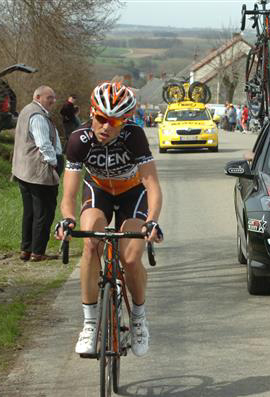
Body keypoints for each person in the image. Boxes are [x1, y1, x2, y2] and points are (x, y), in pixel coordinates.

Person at [55, 81, 163, 357]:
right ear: (92, 113)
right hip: (99, 190)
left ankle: (138, 319)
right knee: (91, 244)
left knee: (129, 258)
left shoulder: (134, 136)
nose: (106, 127)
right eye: (101, 119)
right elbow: (68, 193)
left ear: (125, 121)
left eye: (115, 122)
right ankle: (90, 324)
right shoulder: (78, 140)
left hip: (132, 193)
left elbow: (152, 185)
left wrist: (152, 221)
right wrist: (67, 219)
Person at [11, 86, 63, 262]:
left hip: (23, 170)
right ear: (38, 97)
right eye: (49, 98)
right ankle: (37, 252)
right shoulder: (38, 116)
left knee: (30, 212)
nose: (53, 101)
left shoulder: (26, 110)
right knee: (44, 212)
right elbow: (44, 144)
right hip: (38, 171)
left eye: (54, 98)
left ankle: (26, 249)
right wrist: (54, 163)